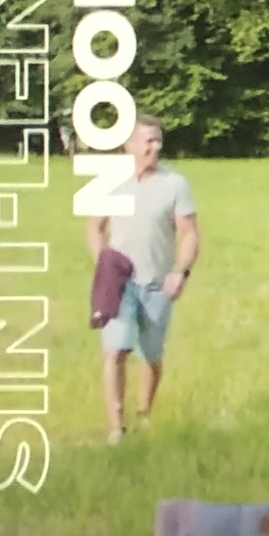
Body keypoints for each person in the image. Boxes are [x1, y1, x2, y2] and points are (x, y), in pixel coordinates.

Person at [85, 114, 200, 444]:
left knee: (151, 356)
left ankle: (144, 413)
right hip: (120, 284)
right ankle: (116, 427)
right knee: (116, 350)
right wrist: (104, 264)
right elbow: (95, 227)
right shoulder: (111, 182)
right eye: (148, 140)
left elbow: (189, 233)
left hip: (158, 284)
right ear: (129, 145)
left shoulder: (174, 184)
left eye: (158, 140)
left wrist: (180, 273)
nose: (155, 146)